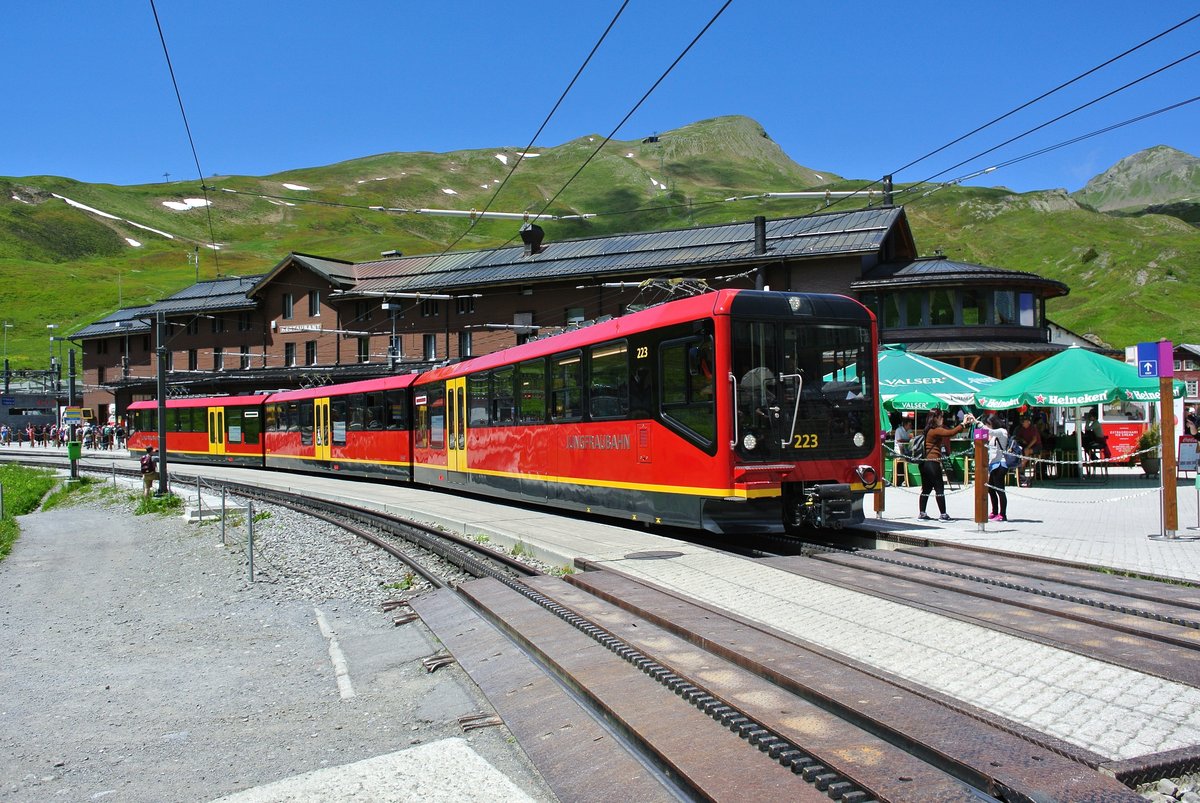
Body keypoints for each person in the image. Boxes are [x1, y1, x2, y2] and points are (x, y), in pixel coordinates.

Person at [916, 409, 975, 521]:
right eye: (941, 417)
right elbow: (950, 433)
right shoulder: (935, 430)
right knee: (939, 488)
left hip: (924, 463)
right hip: (933, 463)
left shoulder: (927, 430)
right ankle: (943, 515)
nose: (942, 419)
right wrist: (963, 424)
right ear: (935, 418)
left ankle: (922, 513)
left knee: (926, 489)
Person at [984, 414, 1010, 522]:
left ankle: (1002, 514)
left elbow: (991, 432)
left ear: (992, 423)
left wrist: (976, 422)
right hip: (993, 464)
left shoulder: (1002, 431)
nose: (987, 426)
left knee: (1000, 490)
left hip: (1000, 464)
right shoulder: (994, 434)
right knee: (990, 489)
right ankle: (995, 511)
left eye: (987, 424)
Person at [1013, 415, 1043, 485]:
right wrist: (1022, 440)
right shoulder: (1022, 429)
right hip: (1026, 446)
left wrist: (1028, 447)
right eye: (1022, 422)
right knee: (1020, 451)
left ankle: (1021, 466)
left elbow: (1034, 439)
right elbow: (1018, 437)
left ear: (1028, 422)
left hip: (1036, 446)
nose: (1023, 423)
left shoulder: (1033, 428)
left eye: (1024, 422)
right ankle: (1021, 471)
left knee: (1027, 450)